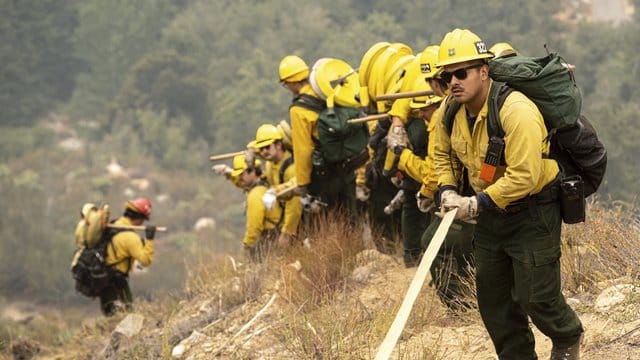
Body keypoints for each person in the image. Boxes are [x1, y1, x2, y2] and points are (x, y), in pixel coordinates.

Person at [432, 28, 583, 359]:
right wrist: (446, 189)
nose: (454, 82)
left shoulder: (516, 110)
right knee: (494, 300)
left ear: (483, 71)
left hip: (533, 211)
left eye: (462, 73)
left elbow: (525, 176)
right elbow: (441, 154)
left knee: (536, 297)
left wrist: (475, 202)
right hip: (489, 215)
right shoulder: (450, 111)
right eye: (447, 76)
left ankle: (568, 336)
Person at [279, 55, 357, 216]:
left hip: (325, 172)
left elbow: (303, 149)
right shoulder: (326, 91)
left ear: (292, 82)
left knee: (331, 219)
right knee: (351, 216)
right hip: (348, 163)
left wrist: (302, 183)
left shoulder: (298, 109)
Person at [100, 197, 155, 316]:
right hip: (118, 281)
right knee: (128, 313)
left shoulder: (115, 225)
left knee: (110, 315)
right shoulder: (130, 237)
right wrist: (149, 240)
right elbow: (145, 261)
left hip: (103, 278)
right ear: (140, 218)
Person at [254, 123, 303, 248]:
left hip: (300, 217)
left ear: (279, 144)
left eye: (267, 147)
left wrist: (287, 233)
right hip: (283, 214)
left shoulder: (290, 167)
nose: (264, 151)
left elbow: (295, 203)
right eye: (261, 148)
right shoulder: (270, 163)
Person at [232, 153, 283, 261]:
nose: (239, 178)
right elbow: (240, 183)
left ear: (253, 171)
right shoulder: (265, 181)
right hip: (278, 232)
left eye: (242, 174)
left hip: (271, 238)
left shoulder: (255, 194)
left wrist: (247, 244)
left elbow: (254, 226)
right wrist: (228, 174)